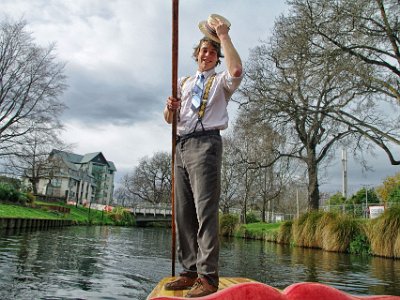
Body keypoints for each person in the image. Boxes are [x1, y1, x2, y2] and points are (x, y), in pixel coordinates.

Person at [163, 14, 242, 298]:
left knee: (205, 212)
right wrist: (170, 107)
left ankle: (208, 277)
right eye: (203, 51)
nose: (207, 55)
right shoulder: (183, 81)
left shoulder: (221, 80)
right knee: (183, 213)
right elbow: (168, 117)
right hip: (181, 145)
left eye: (212, 52)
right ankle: (189, 271)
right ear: (196, 55)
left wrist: (223, 36)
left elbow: (237, 71)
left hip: (206, 144)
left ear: (217, 57)